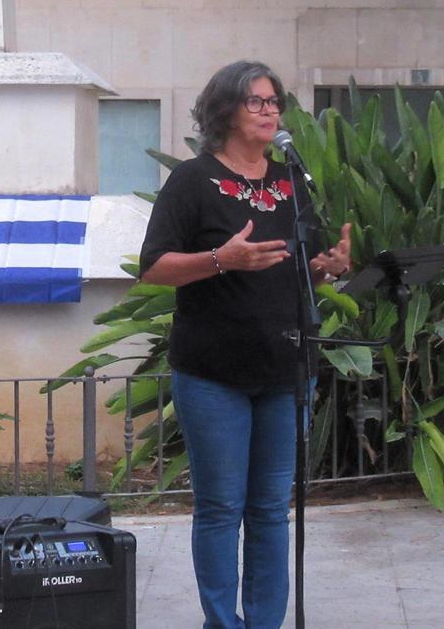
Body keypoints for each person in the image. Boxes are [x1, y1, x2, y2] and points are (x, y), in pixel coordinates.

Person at [139, 61, 351, 629]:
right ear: (225, 111)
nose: (269, 111)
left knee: (269, 511)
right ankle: (222, 624)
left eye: (273, 101)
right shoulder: (193, 180)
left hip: (284, 371)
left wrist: (331, 267)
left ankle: (263, 623)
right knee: (220, 508)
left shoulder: (290, 181)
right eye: (256, 102)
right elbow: (154, 268)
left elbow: (307, 270)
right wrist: (219, 260)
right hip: (213, 374)